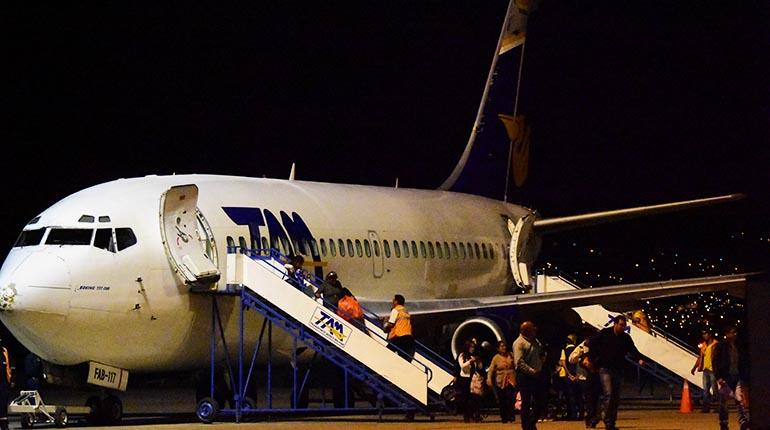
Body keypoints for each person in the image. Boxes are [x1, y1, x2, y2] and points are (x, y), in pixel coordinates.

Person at [587, 315, 645, 430]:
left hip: (618, 369)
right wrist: (592, 359)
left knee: (615, 397)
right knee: (609, 394)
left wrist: (639, 358)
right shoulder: (604, 334)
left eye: (624, 325)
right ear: (615, 324)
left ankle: (610, 422)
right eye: (621, 325)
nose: (623, 327)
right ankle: (605, 418)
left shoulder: (625, 338)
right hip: (605, 369)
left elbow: (632, 349)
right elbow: (592, 343)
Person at [712, 325, 749, 430]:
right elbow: (715, 362)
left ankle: (743, 420)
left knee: (739, 399)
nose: (734, 335)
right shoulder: (720, 346)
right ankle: (723, 423)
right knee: (724, 401)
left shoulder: (737, 346)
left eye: (735, 333)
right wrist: (718, 377)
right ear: (727, 334)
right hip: (725, 377)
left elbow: (741, 361)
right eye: (732, 332)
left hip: (736, 376)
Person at [513, 320, 547, 430]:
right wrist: (532, 371)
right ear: (526, 331)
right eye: (532, 330)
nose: (535, 331)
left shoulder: (535, 341)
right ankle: (526, 426)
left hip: (536, 374)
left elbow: (540, 352)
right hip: (525, 376)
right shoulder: (519, 343)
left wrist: (542, 359)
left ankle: (531, 423)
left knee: (541, 401)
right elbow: (519, 362)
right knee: (526, 402)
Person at [569, 333, 601, 428]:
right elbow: (571, 359)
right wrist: (581, 357)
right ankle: (591, 417)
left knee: (593, 397)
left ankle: (593, 417)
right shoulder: (583, 346)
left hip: (594, 374)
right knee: (589, 398)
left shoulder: (598, 345)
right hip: (585, 376)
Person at [487, 340, 517, 423]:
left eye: (504, 346)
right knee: (502, 400)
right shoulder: (496, 358)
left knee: (511, 398)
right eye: (501, 346)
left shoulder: (511, 355)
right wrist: (489, 378)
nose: (504, 348)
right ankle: (504, 417)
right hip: (500, 381)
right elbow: (491, 370)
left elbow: (516, 365)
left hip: (511, 379)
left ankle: (511, 415)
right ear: (498, 348)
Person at [691, 329, 718, 413]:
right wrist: (694, 367)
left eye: (705, 334)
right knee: (705, 390)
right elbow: (700, 357)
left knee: (714, 389)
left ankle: (719, 406)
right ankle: (706, 408)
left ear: (710, 335)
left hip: (713, 369)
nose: (704, 336)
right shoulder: (703, 346)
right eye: (703, 334)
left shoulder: (715, 344)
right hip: (705, 370)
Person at [382, 294, 414, 362]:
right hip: (409, 338)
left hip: (399, 337)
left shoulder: (396, 310)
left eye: (393, 300)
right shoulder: (405, 311)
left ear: (396, 302)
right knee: (404, 360)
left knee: (385, 354)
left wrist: (385, 324)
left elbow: (390, 324)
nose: (392, 302)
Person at [558, 334, 581, 420]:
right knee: (578, 395)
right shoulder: (578, 349)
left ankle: (573, 414)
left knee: (570, 395)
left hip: (568, 375)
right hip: (578, 374)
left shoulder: (564, 350)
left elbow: (563, 362)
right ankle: (581, 413)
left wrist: (568, 374)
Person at [0, 339, 11, 430]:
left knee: (3, 404)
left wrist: (10, 380)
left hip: (3, 382)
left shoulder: (4, 351)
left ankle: (4, 425)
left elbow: (7, 366)